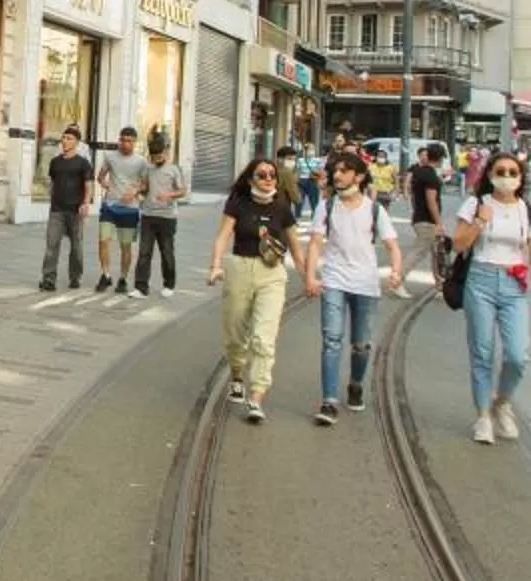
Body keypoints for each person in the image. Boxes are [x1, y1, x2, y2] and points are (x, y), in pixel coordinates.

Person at [449, 148, 531, 443]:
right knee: (482, 352)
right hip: (480, 279)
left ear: (521, 177)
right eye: (500, 172)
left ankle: (502, 401)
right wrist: (480, 222)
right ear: (490, 175)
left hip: (514, 284)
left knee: (517, 356)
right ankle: (482, 416)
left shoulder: (528, 211)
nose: (506, 177)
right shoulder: (476, 203)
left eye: (512, 172)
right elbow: (458, 244)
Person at [302, 148, 403, 422]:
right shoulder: (327, 206)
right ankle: (329, 401)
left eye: (344, 171)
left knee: (361, 344)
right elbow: (314, 244)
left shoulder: (374, 209)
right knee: (332, 340)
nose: (337, 175)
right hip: (334, 278)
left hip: (365, 282)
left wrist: (396, 270)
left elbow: (392, 244)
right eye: (335, 171)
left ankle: (356, 384)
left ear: (358, 177)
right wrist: (311, 276)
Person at [208, 154, 297, 423]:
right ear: (250, 179)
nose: (268, 179)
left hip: (272, 274)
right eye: (262, 175)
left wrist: (310, 276)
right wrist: (215, 265)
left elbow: (295, 245)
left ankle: (257, 395)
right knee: (236, 332)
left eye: (272, 175)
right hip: (239, 268)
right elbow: (223, 236)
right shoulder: (238, 203)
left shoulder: (282, 207)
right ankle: (237, 371)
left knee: (263, 337)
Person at [40, 126, 95, 292]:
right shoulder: (55, 162)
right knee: (51, 244)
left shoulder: (83, 163)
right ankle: (49, 278)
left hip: (75, 210)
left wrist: (85, 203)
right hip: (57, 210)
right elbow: (52, 183)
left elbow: (88, 185)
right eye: (63, 138)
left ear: (77, 142)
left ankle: (75, 276)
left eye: (69, 138)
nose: (65, 141)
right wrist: (52, 197)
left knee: (76, 246)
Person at [96, 126, 149, 294]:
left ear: (135, 142)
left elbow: (146, 184)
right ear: (119, 140)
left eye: (129, 141)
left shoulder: (141, 162)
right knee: (103, 240)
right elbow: (100, 176)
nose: (125, 144)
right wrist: (105, 185)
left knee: (126, 246)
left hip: (130, 210)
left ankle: (123, 279)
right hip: (110, 206)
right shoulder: (110, 157)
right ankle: (105, 275)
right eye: (123, 140)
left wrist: (135, 191)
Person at [135, 127, 188, 295]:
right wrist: (138, 189)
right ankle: (141, 287)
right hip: (148, 216)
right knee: (144, 253)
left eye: (160, 156)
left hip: (167, 217)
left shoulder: (174, 170)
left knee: (166, 252)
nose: (157, 159)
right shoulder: (148, 169)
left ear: (165, 152)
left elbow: (182, 191)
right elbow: (145, 189)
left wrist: (169, 195)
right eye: (154, 157)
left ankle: (169, 285)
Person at [405, 144, 448, 284]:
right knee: (420, 251)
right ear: (440, 158)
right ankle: (397, 278)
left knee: (435, 252)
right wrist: (438, 222)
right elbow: (431, 201)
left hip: (419, 215)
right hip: (427, 219)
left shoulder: (420, 172)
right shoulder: (431, 177)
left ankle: (439, 282)